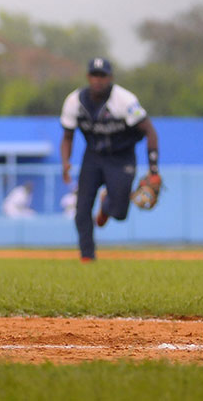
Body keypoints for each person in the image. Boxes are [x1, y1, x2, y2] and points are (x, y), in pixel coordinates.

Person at [60, 57, 160, 261]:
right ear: (88, 77)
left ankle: (107, 205)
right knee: (82, 208)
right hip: (93, 156)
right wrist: (65, 162)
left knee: (119, 213)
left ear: (110, 77)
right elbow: (67, 136)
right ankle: (87, 257)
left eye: (102, 76)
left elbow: (150, 132)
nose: (98, 80)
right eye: (94, 75)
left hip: (121, 156)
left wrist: (153, 169)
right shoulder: (74, 101)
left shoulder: (124, 100)